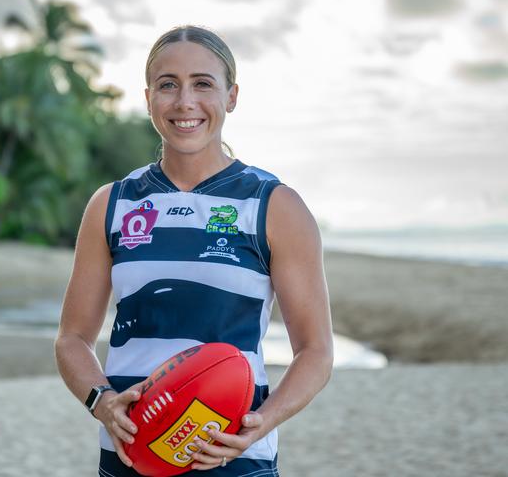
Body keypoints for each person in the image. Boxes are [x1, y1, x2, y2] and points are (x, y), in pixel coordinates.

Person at [55, 25, 333, 476]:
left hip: (233, 461)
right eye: (168, 85)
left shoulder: (274, 205)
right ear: (148, 99)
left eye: (203, 83)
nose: (185, 102)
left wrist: (259, 425)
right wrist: (101, 401)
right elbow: (72, 339)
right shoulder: (112, 203)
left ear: (232, 96)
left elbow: (316, 351)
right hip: (131, 457)